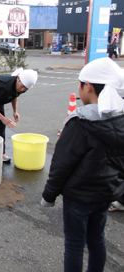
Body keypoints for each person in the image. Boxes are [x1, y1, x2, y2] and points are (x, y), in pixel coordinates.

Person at [41, 57, 124, 272]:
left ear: (88, 86)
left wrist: (49, 196)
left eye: (79, 83)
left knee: (75, 245)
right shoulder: (120, 119)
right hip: (106, 194)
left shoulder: (80, 123)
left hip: (79, 196)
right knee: (97, 239)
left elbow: (61, 165)